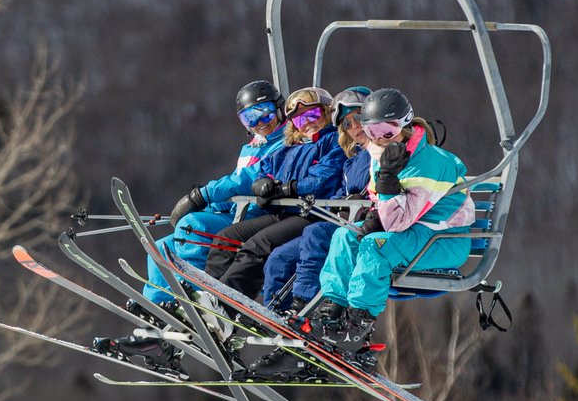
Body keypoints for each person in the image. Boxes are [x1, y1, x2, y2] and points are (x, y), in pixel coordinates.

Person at [92, 80, 290, 369]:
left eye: (265, 113)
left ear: (280, 110)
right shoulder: (251, 147)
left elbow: (249, 181)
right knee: (161, 248)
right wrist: (211, 203)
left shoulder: (285, 142)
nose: (260, 122)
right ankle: (157, 324)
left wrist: (202, 196)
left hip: (261, 217)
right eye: (250, 117)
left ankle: (190, 304)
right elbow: (236, 192)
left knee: (191, 227)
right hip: (237, 212)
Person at [308, 87, 476, 353]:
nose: (381, 138)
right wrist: (373, 218)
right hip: (414, 234)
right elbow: (384, 209)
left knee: (375, 247)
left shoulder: (428, 163)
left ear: (405, 123)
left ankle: (357, 323)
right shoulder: (384, 156)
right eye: (373, 131)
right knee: (344, 236)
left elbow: (398, 222)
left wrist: (387, 181)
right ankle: (333, 308)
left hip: (443, 239)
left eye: (388, 130)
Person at [201, 87, 346, 309]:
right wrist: (262, 185)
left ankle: (226, 306)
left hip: (313, 214)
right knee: (226, 238)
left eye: (312, 115)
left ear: (326, 113)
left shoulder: (333, 142)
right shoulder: (289, 148)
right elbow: (265, 170)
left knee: (258, 246)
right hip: (283, 212)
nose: (307, 123)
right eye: (299, 120)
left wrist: (288, 188)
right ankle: (208, 295)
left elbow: (322, 179)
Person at [260, 86, 374, 315]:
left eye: (359, 118)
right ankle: (274, 319)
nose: (355, 127)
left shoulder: (381, 152)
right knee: (278, 258)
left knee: (315, 235)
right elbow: (340, 192)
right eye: (347, 124)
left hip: (363, 224)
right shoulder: (353, 160)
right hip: (342, 219)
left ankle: (302, 306)